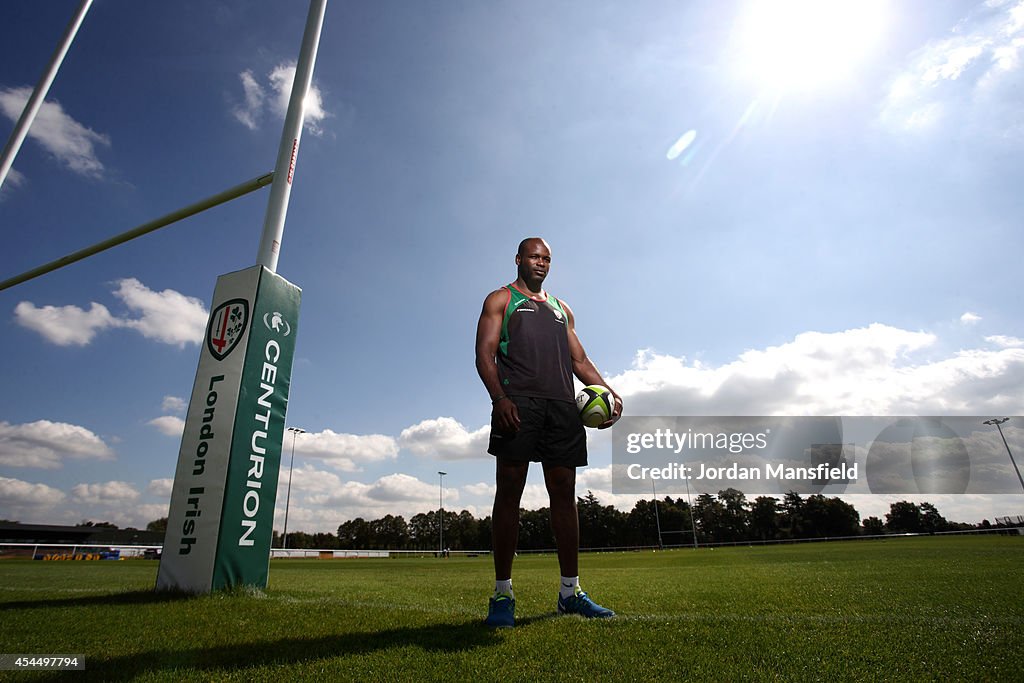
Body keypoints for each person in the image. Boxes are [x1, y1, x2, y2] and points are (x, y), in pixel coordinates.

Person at [475, 237, 622, 627]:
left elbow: (580, 359)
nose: (540, 263)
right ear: (519, 259)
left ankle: (570, 593)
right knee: (509, 492)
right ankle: (502, 593)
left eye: (547, 259)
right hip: (518, 404)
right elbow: (484, 355)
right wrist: (499, 398)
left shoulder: (562, 309)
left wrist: (607, 390)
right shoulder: (500, 300)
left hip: (562, 408)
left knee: (564, 495)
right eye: (534, 256)